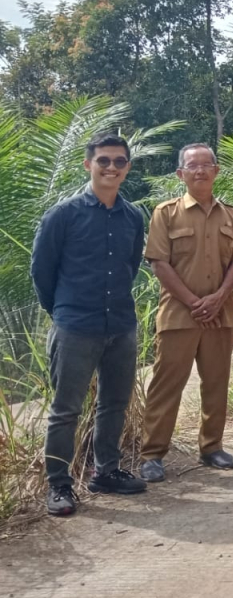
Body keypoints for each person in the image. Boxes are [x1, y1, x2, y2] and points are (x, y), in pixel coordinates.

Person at [32, 133, 148, 516]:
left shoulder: (133, 217)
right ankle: (59, 485)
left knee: (114, 403)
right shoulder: (63, 215)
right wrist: (63, 312)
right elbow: (42, 271)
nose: (111, 167)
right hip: (75, 326)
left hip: (121, 324)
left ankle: (106, 472)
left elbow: (131, 265)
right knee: (66, 409)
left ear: (127, 168)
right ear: (88, 164)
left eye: (119, 161)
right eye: (104, 160)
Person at [139, 144, 233, 483]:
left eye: (206, 165)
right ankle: (153, 454)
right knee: (167, 385)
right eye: (192, 166)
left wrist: (219, 298)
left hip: (221, 315)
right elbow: (159, 263)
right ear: (180, 174)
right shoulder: (166, 213)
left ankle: (211, 447)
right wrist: (195, 303)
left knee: (216, 383)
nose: (200, 171)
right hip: (179, 316)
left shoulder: (231, 215)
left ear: (216, 171)